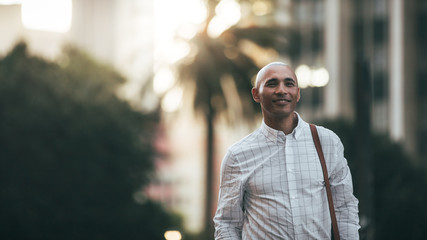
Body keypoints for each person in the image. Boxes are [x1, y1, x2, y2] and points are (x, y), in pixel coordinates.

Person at [213, 62, 360, 239]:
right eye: (272, 83)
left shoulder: (327, 142)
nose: (281, 90)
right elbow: (227, 223)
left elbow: (344, 207)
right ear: (256, 94)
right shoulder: (238, 155)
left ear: (297, 93)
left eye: (289, 84)